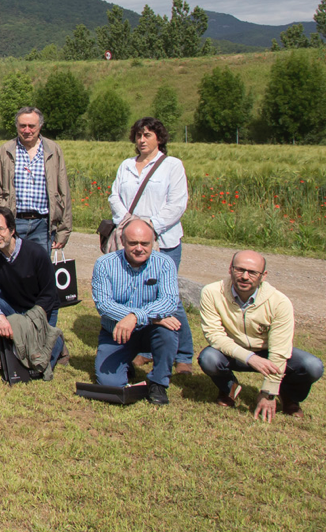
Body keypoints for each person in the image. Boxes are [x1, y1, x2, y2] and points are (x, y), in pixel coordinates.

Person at [108, 116, 194, 373]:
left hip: (163, 241)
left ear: (159, 138)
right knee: (139, 294)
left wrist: (149, 229)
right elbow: (114, 196)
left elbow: (177, 204)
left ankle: (184, 354)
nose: (142, 140)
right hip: (131, 239)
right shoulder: (126, 165)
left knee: (169, 299)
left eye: (147, 135)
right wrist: (128, 224)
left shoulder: (172, 166)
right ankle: (146, 349)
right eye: (138, 135)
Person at [199, 251, 322, 421]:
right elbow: (214, 336)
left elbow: (279, 350)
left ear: (263, 276)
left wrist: (268, 392)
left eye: (252, 272)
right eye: (239, 270)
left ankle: (287, 396)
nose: (244, 276)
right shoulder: (211, 292)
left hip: (267, 352)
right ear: (230, 269)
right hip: (234, 351)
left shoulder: (279, 302)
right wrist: (250, 358)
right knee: (209, 358)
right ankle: (230, 388)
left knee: (312, 366)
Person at [90, 219, 183, 405]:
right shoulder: (104, 264)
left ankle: (158, 383)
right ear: (123, 241)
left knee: (168, 332)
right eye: (133, 243)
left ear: (153, 242)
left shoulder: (165, 264)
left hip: (151, 332)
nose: (139, 248)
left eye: (145, 243)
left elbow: (170, 301)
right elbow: (104, 305)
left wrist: (134, 317)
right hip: (115, 333)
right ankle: (125, 365)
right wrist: (151, 317)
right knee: (111, 385)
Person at [0, 207, 67, 375]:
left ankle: (57, 343)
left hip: (41, 309)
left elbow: (49, 294)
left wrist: (28, 322)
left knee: (35, 368)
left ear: (12, 230)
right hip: (11, 304)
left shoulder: (36, 253)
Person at [0, 107, 71, 251]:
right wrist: (0, 222)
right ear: (17, 126)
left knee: (39, 270)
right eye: (22, 126)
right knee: (11, 269)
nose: (27, 130)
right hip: (13, 222)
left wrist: (64, 229)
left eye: (31, 126)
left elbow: (63, 191)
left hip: (43, 224)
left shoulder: (53, 150)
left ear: (40, 126)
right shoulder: (6, 150)